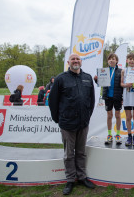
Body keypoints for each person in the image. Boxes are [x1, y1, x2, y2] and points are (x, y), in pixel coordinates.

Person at [48, 53, 95, 195]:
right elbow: (53, 101)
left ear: (81, 62)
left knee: (81, 152)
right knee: (69, 154)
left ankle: (81, 177)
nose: (75, 61)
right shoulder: (61, 79)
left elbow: (91, 100)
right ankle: (70, 179)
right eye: (73, 59)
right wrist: (58, 119)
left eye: (78, 59)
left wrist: (87, 116)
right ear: (68, 62)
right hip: (67, 123)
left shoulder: (87, 78)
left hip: (83, 123)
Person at [94, 53, 123, 145]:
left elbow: (123, 83)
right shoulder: (104, 71)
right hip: (107, 96)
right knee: (109, 115)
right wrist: (96, 79)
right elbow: (100, 82)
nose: (111, 60)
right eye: (110, 59)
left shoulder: (121, 71)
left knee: (118, 115)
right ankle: (109, 134)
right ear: (108, 61)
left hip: (117, 96)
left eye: (113, 59)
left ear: (117, 61)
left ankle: (118, 134)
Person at [121, 53, 134, 146]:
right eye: (130, 59)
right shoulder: (123, 71)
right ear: (127, 60)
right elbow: (121, 84)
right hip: (127, 96)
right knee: (128, 117)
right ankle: (129, 136)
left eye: (133, 59)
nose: (132, 61)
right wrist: (126, 85)